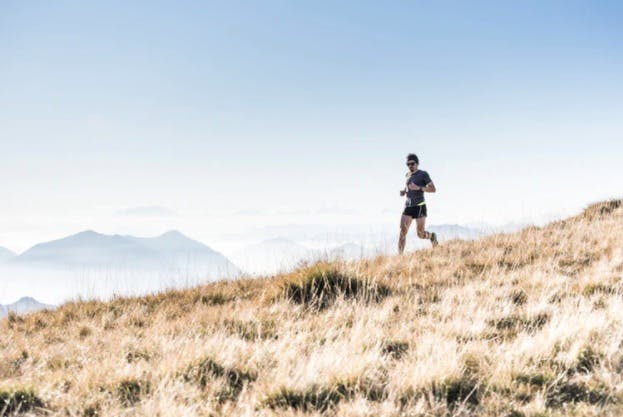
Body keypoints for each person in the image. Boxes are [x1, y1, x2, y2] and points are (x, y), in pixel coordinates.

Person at [399, 153, 438, 254]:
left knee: (420, 234)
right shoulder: (407, 175)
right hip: (408, 206)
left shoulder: (423, 174)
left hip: (419, 206)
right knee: (402, 232)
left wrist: (419, 188)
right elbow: (408, 187)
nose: (410, 166)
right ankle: (399, 258)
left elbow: (433, 189)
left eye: (412, 163)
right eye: (408, 164)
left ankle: (432, 236)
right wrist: (404, 192)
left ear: (417, 163)